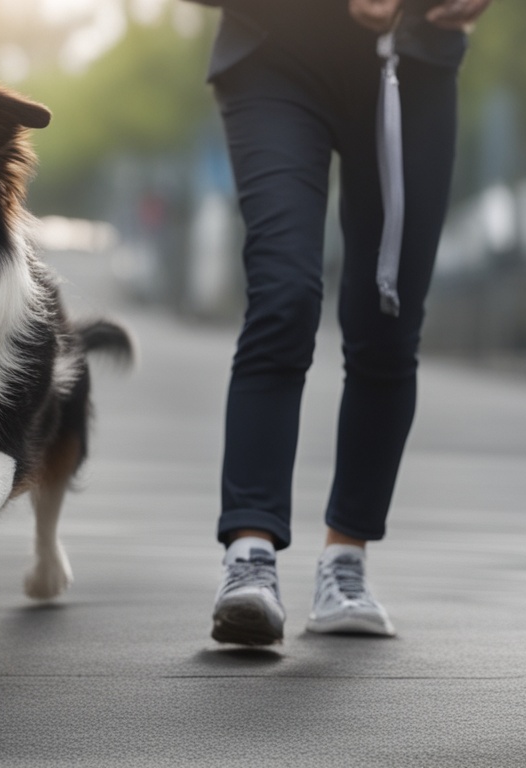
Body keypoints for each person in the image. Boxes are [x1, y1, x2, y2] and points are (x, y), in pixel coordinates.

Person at [191, 0, 492, 645]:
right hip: (277, 54)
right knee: (284, 295)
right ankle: (250, 555)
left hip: (414, 64)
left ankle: (345, 561)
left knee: (388, 317)